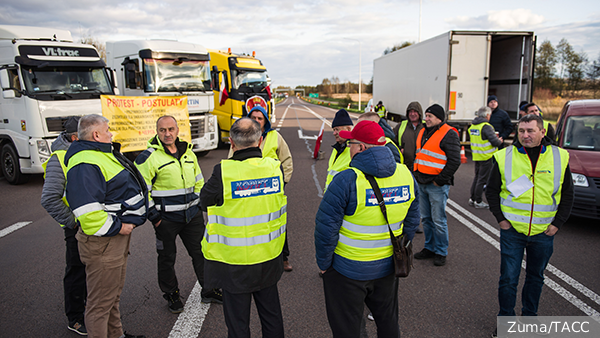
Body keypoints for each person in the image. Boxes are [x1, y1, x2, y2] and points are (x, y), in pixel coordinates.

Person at [315, 120, 419, 338]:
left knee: (348, 327)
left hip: (348, 269)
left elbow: (326, 227)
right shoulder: (405, 174)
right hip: (388, 267)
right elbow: (412, 219)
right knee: (388, 321)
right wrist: (402, 247)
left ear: (361, 147)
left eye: (351, 142)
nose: (348, 146)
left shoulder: (347, 179)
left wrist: (324, 265)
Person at [486, 114, 573, 337]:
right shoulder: (504, 156)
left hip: (544, 232)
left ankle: (529, 318)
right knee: (508, 278)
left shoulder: (560, 157)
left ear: (542, 132)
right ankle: (506, 321)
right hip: (512, 231)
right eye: (522, 131)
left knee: (536, 277)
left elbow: (568, 194)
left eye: (530, 131)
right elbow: (492, 191)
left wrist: (557, 224)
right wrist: (501, 220)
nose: (525, 135)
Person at [201, 118, 286, 338]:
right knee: (272, 317)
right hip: (269, 256)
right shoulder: (274, 168)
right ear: (260, 142)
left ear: (231, 143)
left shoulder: (223, 172)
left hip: (234, 263)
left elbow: (204, 200)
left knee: (238, 324)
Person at [65, 114, 148, 338]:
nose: (111, 133)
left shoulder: (97, 155)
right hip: (105, 241)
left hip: (112, 240)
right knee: (100, 304)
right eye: (108, 129)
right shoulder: (85, 162)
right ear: (96, 134)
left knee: (111, 296)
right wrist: (120, 227)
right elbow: (88, 211)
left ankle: (116, 335)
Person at [135, 116, 222, 314]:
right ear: (157, 131)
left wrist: (199, 205)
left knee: (202, 252)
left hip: (192, 216)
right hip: (165, 220)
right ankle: (172, 294)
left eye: (171, 129)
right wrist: (154, 217)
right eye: (163, 130)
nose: (167, 134)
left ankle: (208, 290)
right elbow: (142, 191)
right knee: (166, 257)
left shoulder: (189, 153)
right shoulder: (148, 158)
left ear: (177, 130)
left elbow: (200, 181)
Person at [230, 105, 294, 272]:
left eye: (260, 118)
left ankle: (283, 257)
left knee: (277, 221)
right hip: (247, 189)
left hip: (271, 189)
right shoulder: (241, 138)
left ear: (265, 121)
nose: (257, 121)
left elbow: (286, 161)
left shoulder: (275, 137)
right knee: (252, 223)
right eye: (253, 118)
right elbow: (231, 161)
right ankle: (256, 255)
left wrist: (282, 183)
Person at [41, 116, 87, 336]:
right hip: (77, 228)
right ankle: (75, 318)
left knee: (95, 272)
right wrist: (73, 223)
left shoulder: (86, 154)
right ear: (75, 137)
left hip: (96, 225)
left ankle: (93, 312)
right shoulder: (59, 158)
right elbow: (50, 198)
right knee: (77, 272)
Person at [412, 104, 461, 266]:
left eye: (429, 116)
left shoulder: (449, 134)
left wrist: (439, 180)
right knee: (426, 219)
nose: (426, 119)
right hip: (422, 181)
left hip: (436, 184)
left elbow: (454, 161)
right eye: (426, 115)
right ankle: (429, 248)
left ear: (439, 118)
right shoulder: (422, 131)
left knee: (438, 220)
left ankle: (441, 251)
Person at [468, 106, 503, 209]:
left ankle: (473, 198)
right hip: (486, 156)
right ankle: (478, 201)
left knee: (477, 177)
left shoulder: (473, 126)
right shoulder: (486, 126)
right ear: (487, 115)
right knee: (482, 179)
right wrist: (499, 140)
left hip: (477, 155)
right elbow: (495, 142)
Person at [325, 109, 354, 191]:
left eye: (337, 129)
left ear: (348, 129)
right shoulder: (337, 148)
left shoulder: (355, 149)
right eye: (333, 130)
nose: (334, 133)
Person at [393, 101, 425, 171]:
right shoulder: (401, 125)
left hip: (422, 168)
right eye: (410, 112)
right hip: (404, 167)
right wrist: (399, 149)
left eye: (415, 111)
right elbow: (392, 142)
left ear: (419, 113)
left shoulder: (426, 126)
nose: (412, 114)